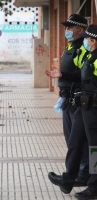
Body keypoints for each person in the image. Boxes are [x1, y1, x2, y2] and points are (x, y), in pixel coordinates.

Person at [45, 24, 97, 200]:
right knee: (74, 142)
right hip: (84, 106)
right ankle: (67, 180)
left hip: (94, 109)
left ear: (93, 40)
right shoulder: (90, 56)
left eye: (86, 38)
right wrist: (62, 75)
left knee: (94, 149)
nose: (84, 41)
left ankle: (94, 186)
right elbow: (81, 76)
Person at [49, 14, 90, 186]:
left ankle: (84, 175)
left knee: (83, 142)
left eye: (70, 28)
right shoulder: (71, 46)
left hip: (81, 102)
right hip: (68, 99)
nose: (66, 30)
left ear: (80, 30)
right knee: (71, 140)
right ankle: (79, 174)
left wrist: (63, 74)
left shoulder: (83, 49)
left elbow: (84, 75)